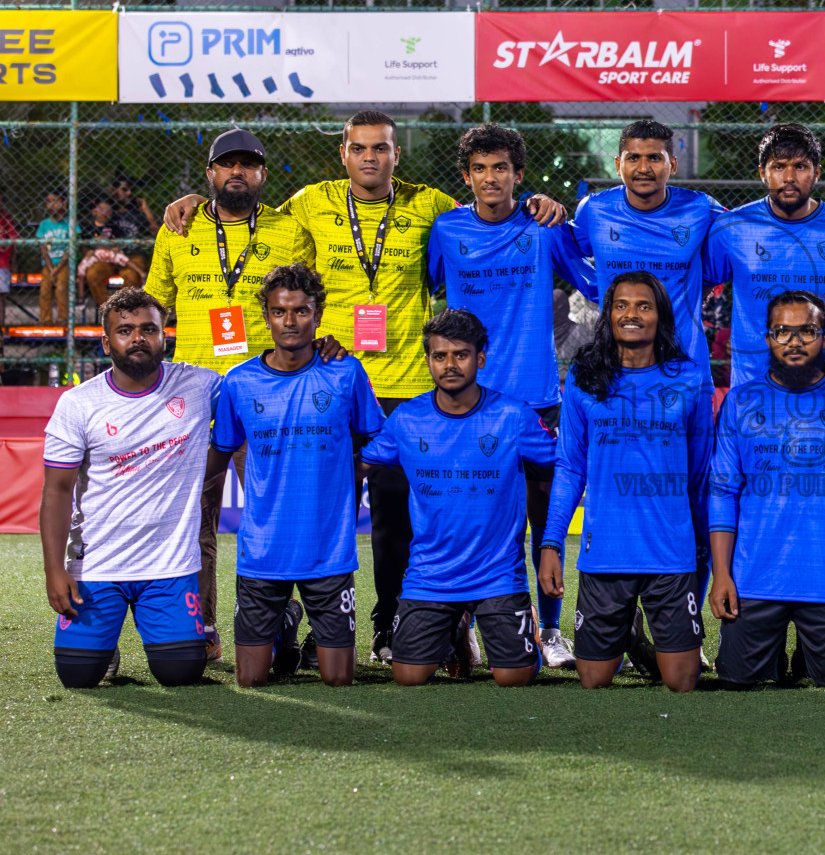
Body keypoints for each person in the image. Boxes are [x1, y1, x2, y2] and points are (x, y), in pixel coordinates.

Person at [163, 110, 564, 665]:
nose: (370, 157)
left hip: (407, 388)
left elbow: (488, 215)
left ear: (397, 155)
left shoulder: (431, 207)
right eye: (359, 148)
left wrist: (542, 200)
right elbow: (242, 215)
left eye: (381, 148)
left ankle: (431, 624)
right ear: (344, 154)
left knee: (416, 516)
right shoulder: (306, 205)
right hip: (333, 383)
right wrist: (192, 204)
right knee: (326, 512)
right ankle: (320, 623)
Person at [427, 122, 599, 669]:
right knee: (474, 524)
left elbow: (592, 283)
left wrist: (562, 214)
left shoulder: (544, 227)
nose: (491, 178)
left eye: (501, 168)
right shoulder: (446, 230)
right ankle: (470, 629)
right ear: (466, 177)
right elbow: (426, 287)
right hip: (468, 402)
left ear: (519, 175)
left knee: (545, 524)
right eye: (480, 169)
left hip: (537, 401)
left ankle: (550, 631)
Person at [145, 128, 320, 662]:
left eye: (248, 165)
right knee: (193, 521)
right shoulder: (178, 227)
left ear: (264, 175)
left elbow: (310, 305)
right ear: (210, 174)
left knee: (274, 516)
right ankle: (204, 627)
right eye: (227, 165)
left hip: (265, 394)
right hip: (193, 398)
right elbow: (152, 306)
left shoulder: (290, 230)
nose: (237, 173)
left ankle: (279, 619)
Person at [205, 264, 385, 687]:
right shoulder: (239, 381)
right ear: (266, 317)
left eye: (301, 311)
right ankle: (285, 621)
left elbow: (380, 442)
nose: (290, 321)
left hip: (329, 551)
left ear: (318, 316)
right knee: (249, 680)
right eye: (279, 312)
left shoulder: (346, 372)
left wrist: (350, 474)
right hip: (263, 551)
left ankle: (295, 625)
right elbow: (220, 454)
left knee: (338, 679)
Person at [360, 309, 556, 687]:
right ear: (429, 360)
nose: (449, 364)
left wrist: (551, 542)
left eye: (460, 355)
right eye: (439, 355)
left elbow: (563, 468)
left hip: (498, 574)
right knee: (408, 676)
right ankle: (456, 626)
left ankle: (517, 614)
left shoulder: (514, 417)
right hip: (431, 575)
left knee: (514, 678)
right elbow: (358, 467)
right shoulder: (405, 419)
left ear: (480, 358)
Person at [539, 272, 714, 693]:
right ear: (608, 315)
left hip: (670, 553)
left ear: (661, 316)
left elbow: (701, 473)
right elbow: (569, 467)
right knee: (594, 680)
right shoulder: (584, 377)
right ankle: (629, 633)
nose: (631, 314)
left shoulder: (688, 379)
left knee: (682, 682)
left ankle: (637, 635)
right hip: (606, 552)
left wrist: (708, 550)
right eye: (621, 305)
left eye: (643, 306)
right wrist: (551, 543)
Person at [39, 289, 222, 689]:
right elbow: (55, 492)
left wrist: (314, 350)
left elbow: (261, 381)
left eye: (148, 329)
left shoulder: (199, 385)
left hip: (169, 567)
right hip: (96, 566)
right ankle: (104, 644)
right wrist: (54, 570)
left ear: (163, 337)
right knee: (78, 676)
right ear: (107, 342)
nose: (138, 338)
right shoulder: (78, 404)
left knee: (180, 673)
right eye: (125, 330)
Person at [708, 290, 825, 691]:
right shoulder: (741, 401)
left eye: (807, 331)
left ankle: (806, 652)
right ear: (767, 338)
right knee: (735, 683)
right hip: (753, 579)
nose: (794, 341)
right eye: (783, 331)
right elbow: (722, 493)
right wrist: (721, 575)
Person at [704, 123, 825, 387]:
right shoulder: (732, 227)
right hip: (754, 385)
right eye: (779, 166)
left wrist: (824, 312)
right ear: (762, 173)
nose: (789, 177)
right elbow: (699, 288)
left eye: (800, 166)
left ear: (817, 172)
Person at [571, 119, 724, 374]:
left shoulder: (702, 208)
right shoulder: (594, 209)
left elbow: (737, 243)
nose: (643, 168)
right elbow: (565, 251)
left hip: (683, 361)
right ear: (618, 165)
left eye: (654, 157)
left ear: (672, 164)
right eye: (633, 158)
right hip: (615, 362)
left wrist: (704, 285)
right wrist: (596, 289)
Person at [78, 194, 146, 307]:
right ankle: (108, 309)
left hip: (119, 256)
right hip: (102, 259)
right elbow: (84, 245)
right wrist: (88, 250)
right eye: (101, 209)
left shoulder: (114, 226)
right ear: (94, 211)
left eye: (108, 210)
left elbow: (119, 243)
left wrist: (114, 246)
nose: (104, 213)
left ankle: (123, 308)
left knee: (132, 276)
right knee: (92, 274)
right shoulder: (88, 227)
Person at [35, 190, 72, 325]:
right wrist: (51, 268)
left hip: (65, 263)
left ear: (64, 203)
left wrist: (59, 267)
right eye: (49, 202)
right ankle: (45, 320)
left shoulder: (70, 222)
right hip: (49, 264)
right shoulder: (44, 224)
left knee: (61, 288)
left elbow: (71, 249)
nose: (51, 205)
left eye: (55, 201)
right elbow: (43, 249)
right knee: (44, 289)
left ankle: (63, 319)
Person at [0, 189, 17, 330]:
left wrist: (13, 262)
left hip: (1, 264)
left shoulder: (6, 219)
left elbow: (14, 242)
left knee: (0, 299)